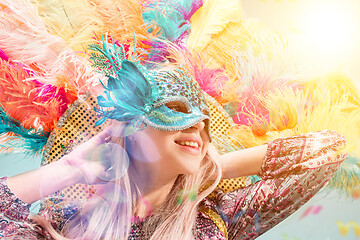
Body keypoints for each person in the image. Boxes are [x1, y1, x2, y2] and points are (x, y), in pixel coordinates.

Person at [0, 45, 347, 239]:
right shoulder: (66, 220)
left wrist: (212, 168)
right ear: (133, 128)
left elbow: (332, 149)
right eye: (177, 111)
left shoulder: (217, 219)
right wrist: (67, 170)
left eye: (203, 122)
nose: (197, 125)